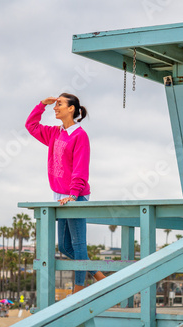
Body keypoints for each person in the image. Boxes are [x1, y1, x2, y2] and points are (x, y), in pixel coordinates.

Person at [25, 93, 106, 293]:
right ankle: (101, 277)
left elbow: (80, 168)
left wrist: (74, 194)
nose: (55, 107)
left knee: (78, 245)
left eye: (59, 104)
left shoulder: (80, 135)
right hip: (60, 197)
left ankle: (79, 289)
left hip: (75, 196)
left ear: (71, 108)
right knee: (65, 247)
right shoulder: (54, 133)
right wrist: (41, 105)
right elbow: (31, 126)